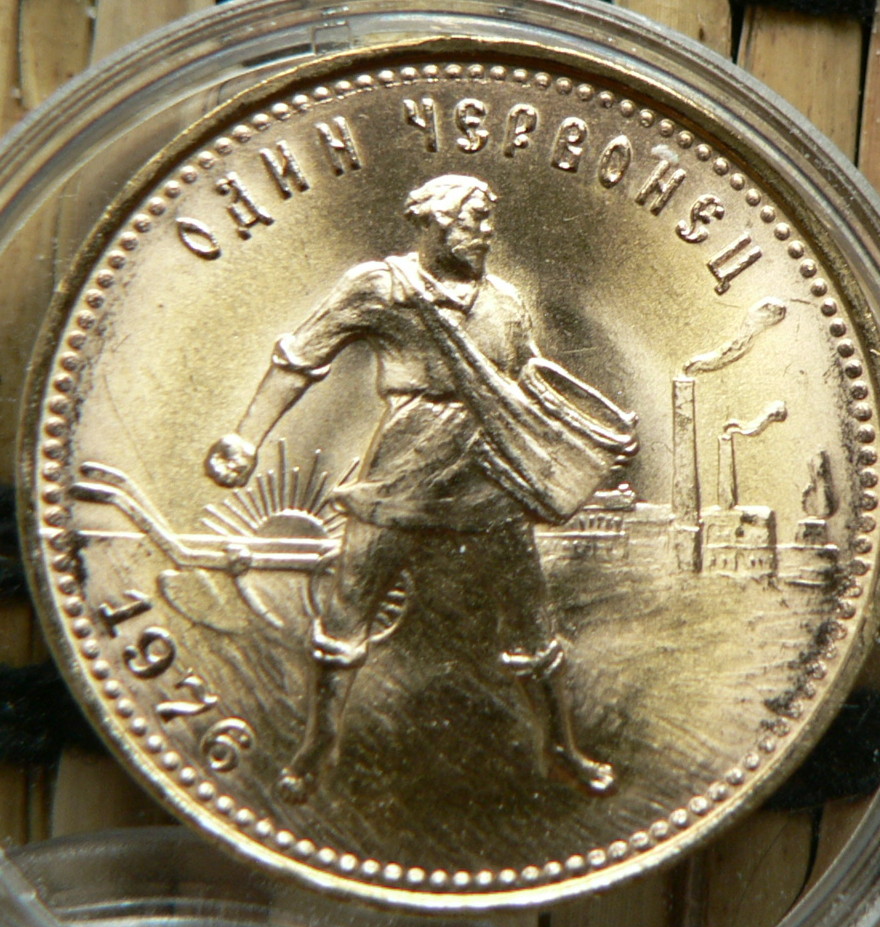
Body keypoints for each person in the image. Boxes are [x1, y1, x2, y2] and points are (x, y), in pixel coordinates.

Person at [206, 174, 618, 803]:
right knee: (346, 610)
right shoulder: (380, 286)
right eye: (474, 218)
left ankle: (559, 747)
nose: (487, 230)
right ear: (434, 221)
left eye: (489, 217)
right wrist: (246, 438)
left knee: (532, 618)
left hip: (489, 475)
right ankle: (319, 745)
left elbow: (526, 382)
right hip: (400, 472)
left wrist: (583, 428)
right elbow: (299, 359)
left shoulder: (505, 301)